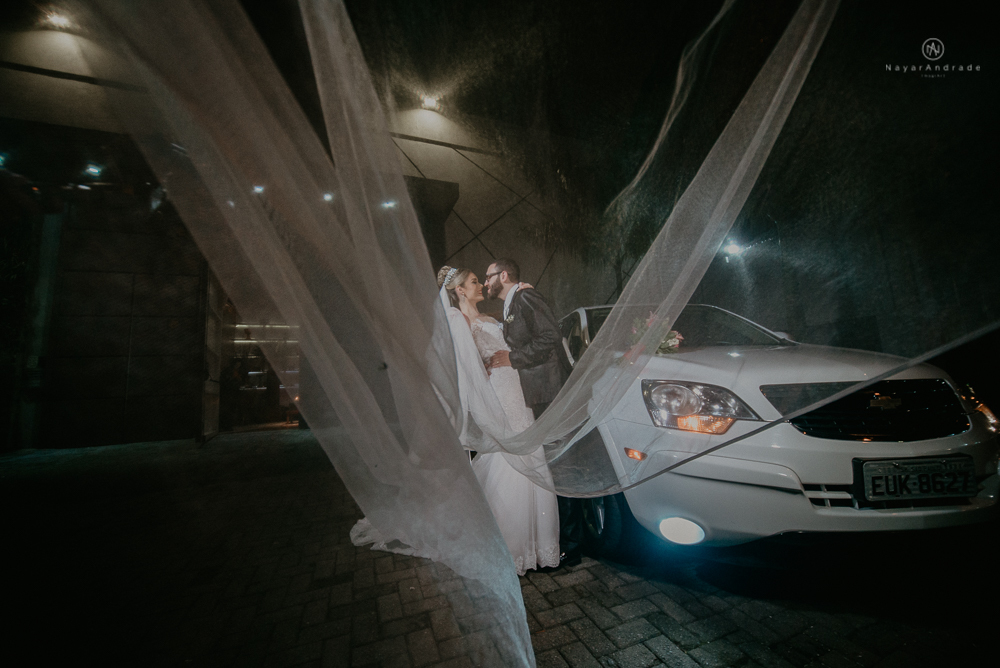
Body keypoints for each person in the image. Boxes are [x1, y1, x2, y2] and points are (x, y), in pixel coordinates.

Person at [438, 265, 560, 575]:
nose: (481, 285)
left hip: (517, 387)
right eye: (474, 282)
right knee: (512, 452)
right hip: (501, 393)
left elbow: (518, 336)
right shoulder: (458, 319)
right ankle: (510, 546)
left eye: (482, 280)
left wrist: (523, 290)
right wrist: (483, 368)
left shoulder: (491, 318)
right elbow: (460, 364)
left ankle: (535, 547)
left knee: (526, 448)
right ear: (460, 290)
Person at [483, 258, 583, 567]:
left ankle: (572, 545)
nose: (486, 283)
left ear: (503, 275)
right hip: (537, 395)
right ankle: (561, 539)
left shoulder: (525, 296)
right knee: (552, 464)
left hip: (548, 394)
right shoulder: (514, 302)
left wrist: (514, 357)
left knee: (560, 465)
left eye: (488, 277)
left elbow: (549, 336)